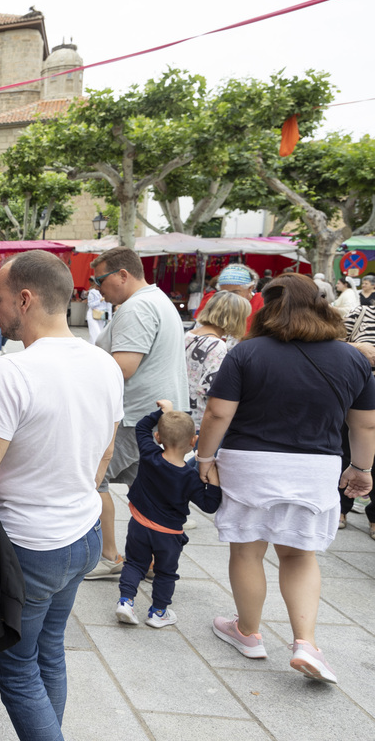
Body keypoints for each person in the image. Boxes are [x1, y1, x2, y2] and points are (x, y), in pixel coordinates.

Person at [0, 250, 123, 740]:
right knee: (48, 649)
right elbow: (105, 451)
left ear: (25, 299)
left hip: (28, 548)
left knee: (16, 668)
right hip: (82, 536)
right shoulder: (104, 364)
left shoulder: (12, 372)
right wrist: (73, 492)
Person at [198, 273, 375, 684]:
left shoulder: (246, 353)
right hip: (316, 466)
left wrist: (205, 457)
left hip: (249, 463)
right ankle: (306, 643)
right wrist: (361, 469)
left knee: (247, 552)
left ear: (267, 306)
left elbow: (218, 413)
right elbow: (364, 426)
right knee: (298, 555)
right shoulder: (352, 359)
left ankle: (248, 632)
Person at [88, 246, 189, 579]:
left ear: (122, 275)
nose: (97, 288)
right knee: (148, 492)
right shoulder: (157, 300)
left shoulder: (137, 306)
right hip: (158, 411)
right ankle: (150, 561)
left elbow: (124, 367)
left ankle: (110, 557)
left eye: (100, 279)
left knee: (94, 482)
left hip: (135, 416)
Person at [115, 401, 222, 628]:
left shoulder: (149, 453)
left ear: (158, 437)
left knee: (134, 563)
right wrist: (213, 483)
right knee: (165, 573)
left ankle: (126, 602)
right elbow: (209, 505)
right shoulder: (190, 477)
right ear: (193, 441)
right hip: (168, 534)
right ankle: (158, 612)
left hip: (140, 525)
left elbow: (141, 427)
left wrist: (162, 412)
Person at [185, 291, 251, 430]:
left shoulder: (188, 335)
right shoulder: (216, 345)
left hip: (181, 414)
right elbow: (213, 387)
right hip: (200, 420)